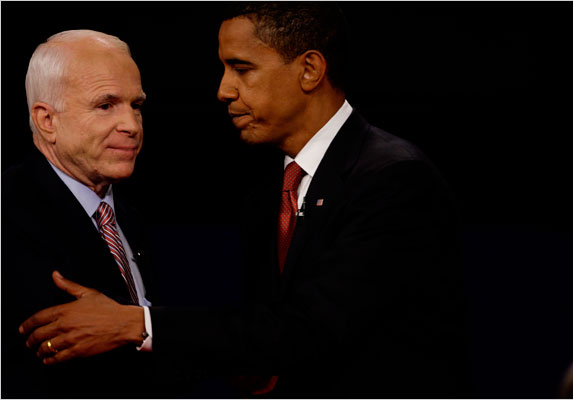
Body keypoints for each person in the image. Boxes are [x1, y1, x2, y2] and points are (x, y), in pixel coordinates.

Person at [19, 4, 471, 397]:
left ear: (309, 70)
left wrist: (137, 324)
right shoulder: (264, 200)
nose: (223, 90)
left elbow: (311, 327)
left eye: (242, 68)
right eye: (106, 105)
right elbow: (263, 340)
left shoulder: (393, 179)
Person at [1, 30, 157, 397]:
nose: (132, 126)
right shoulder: (8, 213)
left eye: (136, 105)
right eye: (106, 105)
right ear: (47, 120)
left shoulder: (129, 218)